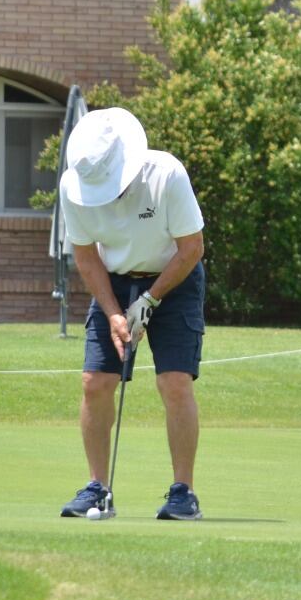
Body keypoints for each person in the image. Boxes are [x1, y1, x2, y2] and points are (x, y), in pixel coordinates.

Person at [56, 107, 208, 521]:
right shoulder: (75, 187)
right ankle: (97, 488)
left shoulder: (166, 175)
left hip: (174, 278)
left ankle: (183, 492)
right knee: (95, 382)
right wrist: (114, 313)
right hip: (114, 280)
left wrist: (150, 302)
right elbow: (86, 257)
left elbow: (192, 249)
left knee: (174, 382)